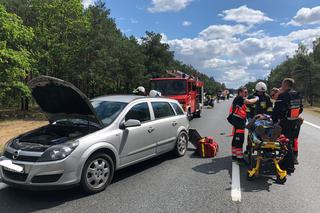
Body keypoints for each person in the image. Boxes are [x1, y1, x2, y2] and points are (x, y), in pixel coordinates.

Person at [272, 78, 303, 173]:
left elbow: (276, 111)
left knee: (285, 143)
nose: (281, 86)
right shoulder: (297, 95)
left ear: (285, 84)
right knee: (291, 142)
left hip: (285, 123)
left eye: (282, 84)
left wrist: (273, 121)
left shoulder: (283, 95)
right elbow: (301, 108)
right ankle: (289, 162)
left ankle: (289, 166)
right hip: (295, 122)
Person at [229, 86, 259, 163]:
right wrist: (257, 98)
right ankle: (240, 158)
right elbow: (250, 102)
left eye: (247, 92)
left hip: (237, 121)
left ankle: (234, 155)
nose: (246, 93)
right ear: (240, 92)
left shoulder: (239, 99)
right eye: (245, 92)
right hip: (238, 122)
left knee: (236, 139)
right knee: (239, 139)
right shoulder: (239, 98)